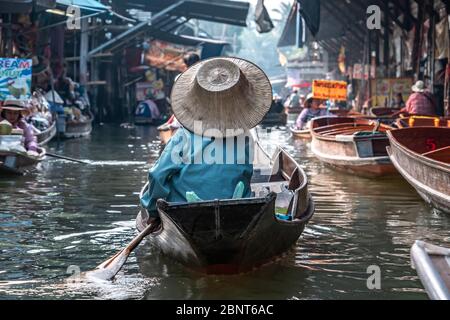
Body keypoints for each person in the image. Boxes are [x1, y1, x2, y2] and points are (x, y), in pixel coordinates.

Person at [140, 57, 272, 226]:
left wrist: (152, 211)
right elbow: (245, 175)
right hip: (233, 211)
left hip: (186, 211)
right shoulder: (244, 137)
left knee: (167, 179)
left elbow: (158, 176)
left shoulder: (184, 135)